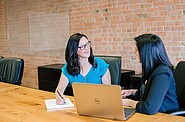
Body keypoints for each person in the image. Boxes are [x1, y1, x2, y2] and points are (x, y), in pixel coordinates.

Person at [122, 34, 179, 114]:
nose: (135, 53)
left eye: (137, 50)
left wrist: (129, 102)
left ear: (146, 53)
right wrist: (131, 92)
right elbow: (150, 93)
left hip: (165, 116)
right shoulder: (153, 69)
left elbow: (149, 108)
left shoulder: (162, 73)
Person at [55, 33, 111, 104]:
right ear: (74, 50)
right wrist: (59, 96)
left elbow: (109, 93)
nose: (87, 48)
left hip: (99, 105)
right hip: (79, 107)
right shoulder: (68, 67)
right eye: (83, 46)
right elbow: (59, 90)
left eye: (87, 44)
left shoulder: (101, 65)